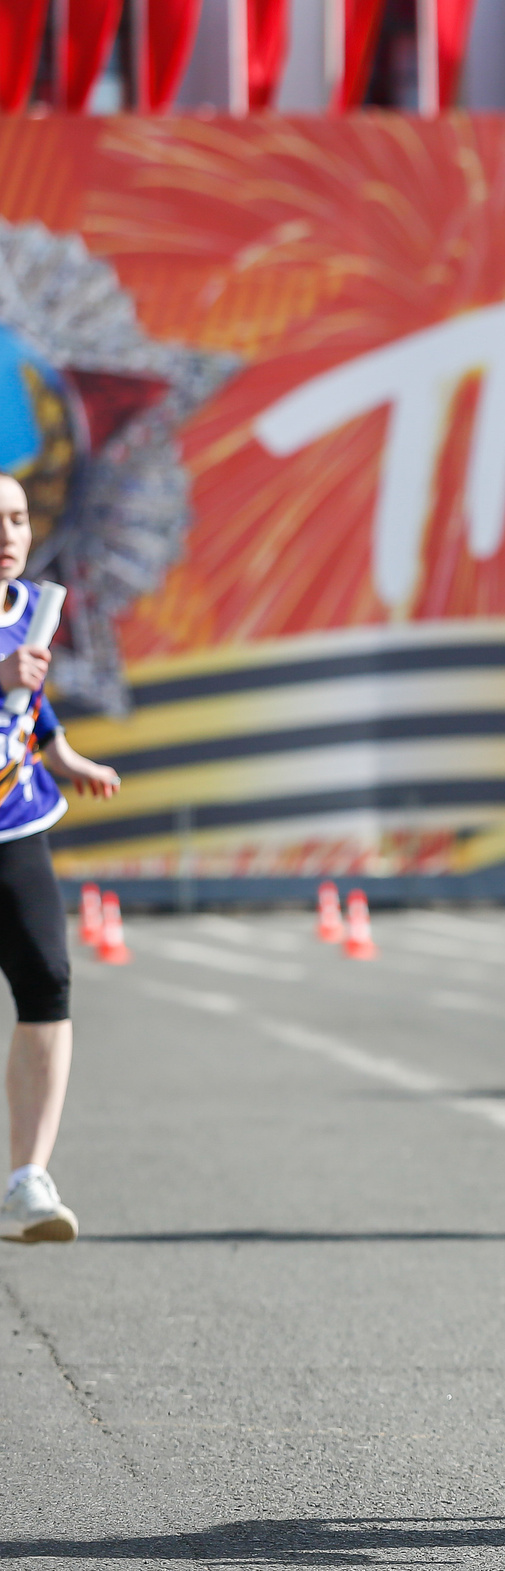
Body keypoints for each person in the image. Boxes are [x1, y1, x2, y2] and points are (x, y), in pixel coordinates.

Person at [0, 477, 123, 1245]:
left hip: (14, 824)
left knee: (47, 980)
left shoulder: (28, 609)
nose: (8, 534)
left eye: (16, 518)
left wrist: (65, 755)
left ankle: (27, 1180)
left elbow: (32, 702)